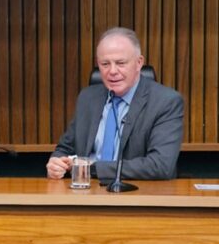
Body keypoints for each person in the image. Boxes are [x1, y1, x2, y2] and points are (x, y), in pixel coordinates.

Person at [46, 27, 184, 181]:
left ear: (139, 63)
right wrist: (56, 163)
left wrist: (90, 168)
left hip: (137, 194)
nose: (112, 71)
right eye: (105, 64)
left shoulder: (165, 101)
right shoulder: (87, 98)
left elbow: (160, 166)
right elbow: (65, 148)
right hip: (84, 193)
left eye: (120, 63)